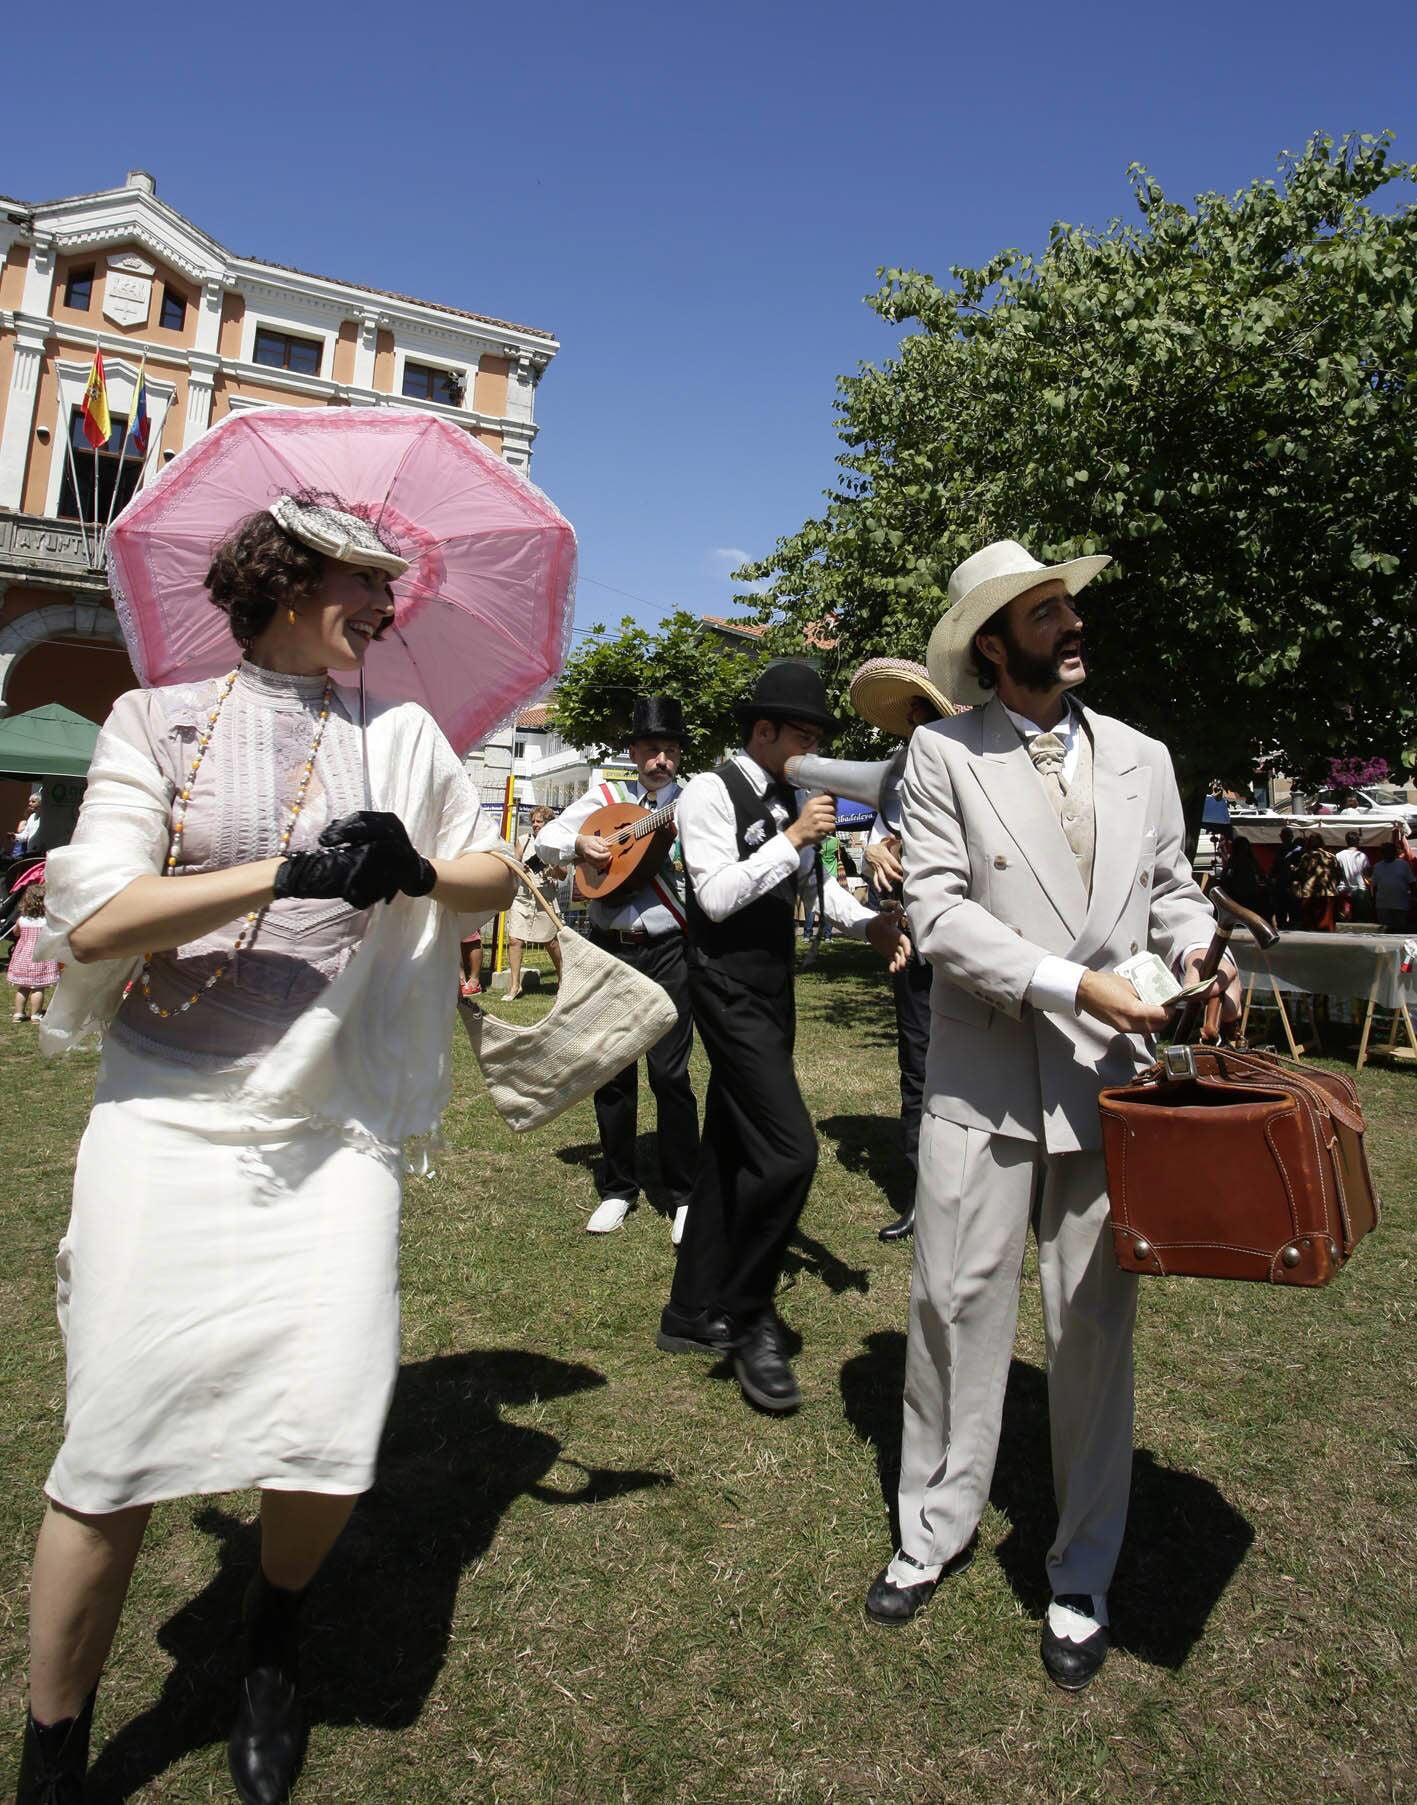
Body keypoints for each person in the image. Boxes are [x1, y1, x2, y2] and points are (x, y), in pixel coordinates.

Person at [13, 495, 515, 1804]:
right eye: (362, 581)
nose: (383, 607)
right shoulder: (153, 721)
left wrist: (416, 865)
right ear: (285, 578)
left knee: (328, 1419)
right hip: (166, 1107)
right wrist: (283, 874)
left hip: (331, 1113)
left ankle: (274, 1642)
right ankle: (54, 1747)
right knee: (113, 1442)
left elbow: (495, 875)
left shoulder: (400, 737)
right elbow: (103, 914)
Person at [862, 539, 1235, 1692]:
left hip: (1108, 1082)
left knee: (1091, 1333)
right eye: (1043, 614)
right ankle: (931, 1529)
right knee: (951, 1309)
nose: (1071, 626)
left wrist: (1195, 948)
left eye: (1068, 606)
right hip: (981, 1081)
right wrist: (1072, 982)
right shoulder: (940, 752)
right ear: (992, 644)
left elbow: (1171, 885)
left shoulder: (1141, 755)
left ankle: (1080, 1572)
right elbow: (934, 908)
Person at [658, 661, 910, 1413]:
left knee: (730, 1151)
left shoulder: (788, 797)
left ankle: (691, 1312)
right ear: (762, 730)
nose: (813, 750)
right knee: (789, 1152)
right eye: (803, 735)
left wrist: (867, 923)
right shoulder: (708, 792)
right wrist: (793, 835)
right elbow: (715, 894)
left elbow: (812, 889)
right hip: (727, 988)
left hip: (772, 991)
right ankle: (748, 1308)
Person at [536, 697, 700, 1239]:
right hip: (610, 944)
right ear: (633, 752)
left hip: (671, 947)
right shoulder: (604, 796)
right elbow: (547, 840)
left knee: (671, 1073)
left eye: (671, 750)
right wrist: (580, 841)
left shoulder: (695, 800)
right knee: (611, 1071)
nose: (662, 759)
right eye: (652, 748)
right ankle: (617, 1188)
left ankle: (684, 1193)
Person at [850, 657, 956, 1242]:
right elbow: (877, 846)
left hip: (970, 946)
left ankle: (1003, 1190)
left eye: (926, 717)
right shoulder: (894, 780)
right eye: (912, 720)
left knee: (986, 1065)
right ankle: (923, 1195)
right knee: (918, 1068)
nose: (916, 729)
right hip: (912, 943)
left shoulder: (975, 772)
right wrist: (873, 855)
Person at [503, 805, 564, 1000]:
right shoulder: (523, 840)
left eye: (540, 821)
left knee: (550, 942)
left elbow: (562, 874)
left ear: (548, 824)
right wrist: (520, 865)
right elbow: (515, 864)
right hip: (522, 896)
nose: (536, 825)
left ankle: (563, 981)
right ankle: (515, 986)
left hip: (544, 897)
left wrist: (551, 865)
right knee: (514, 939)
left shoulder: (556, 845)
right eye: (534, 821)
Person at [7, 881, 59, 1021]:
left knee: (23, 987)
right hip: (41, 956)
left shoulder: (22, 919)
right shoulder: (47, 921)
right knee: (38, 987)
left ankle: (18, 1013)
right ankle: (36, 1014)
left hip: (24, 956)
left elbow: (16, 933)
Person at [1295, 832, 1340, 932]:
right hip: (1329, 892)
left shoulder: (1306, 857)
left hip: (1310, 893)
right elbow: (1338, 874)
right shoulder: (1331, 857)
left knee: (1311, 926)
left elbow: (1300, 874)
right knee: (1327, 926)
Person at [1371, 840, 1416, 931]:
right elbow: (1374, 885)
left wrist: (1414, 897)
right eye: (1384, 852)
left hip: (1400, 904)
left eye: (1389, 851)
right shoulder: (1377, 866)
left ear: (1394, 852)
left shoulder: (1403, 865)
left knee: (1400, 929)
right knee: (1385, 929)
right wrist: (1373, 900)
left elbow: (1411, 882)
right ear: (1382, 854)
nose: (1387, 854)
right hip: (1383, 905)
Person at [1269, 825, 1303, 929]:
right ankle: (1282, 924)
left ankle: (1292, 924)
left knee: (1292, 907)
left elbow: (1301, 867)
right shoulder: (1279, 850)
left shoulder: (1298, 851)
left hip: (1293, 883)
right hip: (1281, 884)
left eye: (1287, 836)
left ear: (1291, 836)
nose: (1285, 838)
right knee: (1281, 908)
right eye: (1284, 836)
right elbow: (1274, 867)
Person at [1335, 830, 1372, 923]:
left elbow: (1336, 872)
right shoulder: (1363, 856)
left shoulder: (1339, 855)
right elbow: (1367, 874)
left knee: (1344, 918)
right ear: (1357, 841)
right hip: (1360, 890)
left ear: (1346, 841)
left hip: (1344, 889)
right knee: (1361, 918)